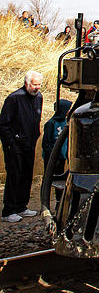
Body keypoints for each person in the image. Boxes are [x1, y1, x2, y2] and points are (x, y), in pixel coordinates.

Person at [0, 71, 44, 223]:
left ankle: (21, 206)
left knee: (26, 175)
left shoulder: (39, 97)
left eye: (39, 85)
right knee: (14, 176)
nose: (36, 88)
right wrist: (11, 142)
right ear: (26, 84)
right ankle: (8, 210)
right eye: (34, 85)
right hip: (15, 145)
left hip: (29, 143)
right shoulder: (14, 98)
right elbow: (4, 124)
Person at [42, 99, 71, 203]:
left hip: (62, 158)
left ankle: (59, 201)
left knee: (60, 181)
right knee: (48, 180)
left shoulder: (66, 123)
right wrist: (52, 157)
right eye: (68, 109)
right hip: (52, 158)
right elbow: (46, 143)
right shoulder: (51, 124)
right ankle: (44, 202)